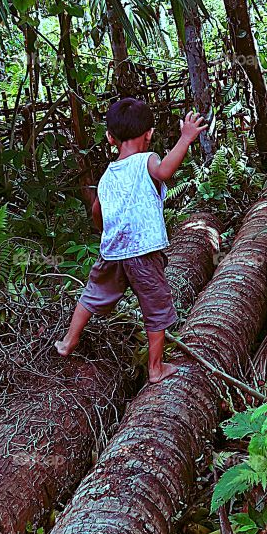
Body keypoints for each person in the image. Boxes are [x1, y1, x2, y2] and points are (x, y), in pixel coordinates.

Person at [56, 97, 207, 382]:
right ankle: (155, 368)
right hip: (144, 252)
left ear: (111, 138)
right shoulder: (146, 161)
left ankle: (68, 341)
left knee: (92, 295)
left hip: (112, 251)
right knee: (156, 306)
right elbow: (164, 171)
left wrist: (106, 230)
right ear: (149, 133)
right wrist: (186, 138)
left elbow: (97, 211)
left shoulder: (107, 175)